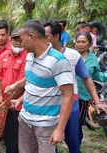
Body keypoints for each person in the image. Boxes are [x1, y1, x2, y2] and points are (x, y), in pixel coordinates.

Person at [5, 20, 74, 153]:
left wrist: (60, 129)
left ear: (31, 36)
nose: (20, 42)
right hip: (25, 119)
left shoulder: (58, 61)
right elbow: (33, 81)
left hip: (45, 124)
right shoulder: (30, 56)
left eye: (21, 38)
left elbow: (68, 94)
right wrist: (16, 88)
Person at [44, 20, 107, 153]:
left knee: (74, 142)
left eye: (46, 35)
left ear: (56, 36)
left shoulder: (72, 55)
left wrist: (97, 101)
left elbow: (87, 78)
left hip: (71, 106)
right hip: (49, 107)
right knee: (49, 144)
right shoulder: (41, 55)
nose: (42, 39)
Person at [0, 29, 27, 153]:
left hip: (17, 105)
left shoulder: (26, 57)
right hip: (3, 103)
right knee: (7, 134)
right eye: (15, 39)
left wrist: (10, 100)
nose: (18, 42)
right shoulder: (4, 55)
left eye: (20, 39)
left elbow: (21, 83)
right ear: (11, 39)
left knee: (15, 135)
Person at [75, 32, 107, 122]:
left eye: (83, 42)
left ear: (89, 44)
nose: (80, 44)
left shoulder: (92, 58)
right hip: (69, 95)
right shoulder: (70, 55)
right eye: (78, 42)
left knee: (79, 122)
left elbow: (97, 75)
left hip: (84, 96)